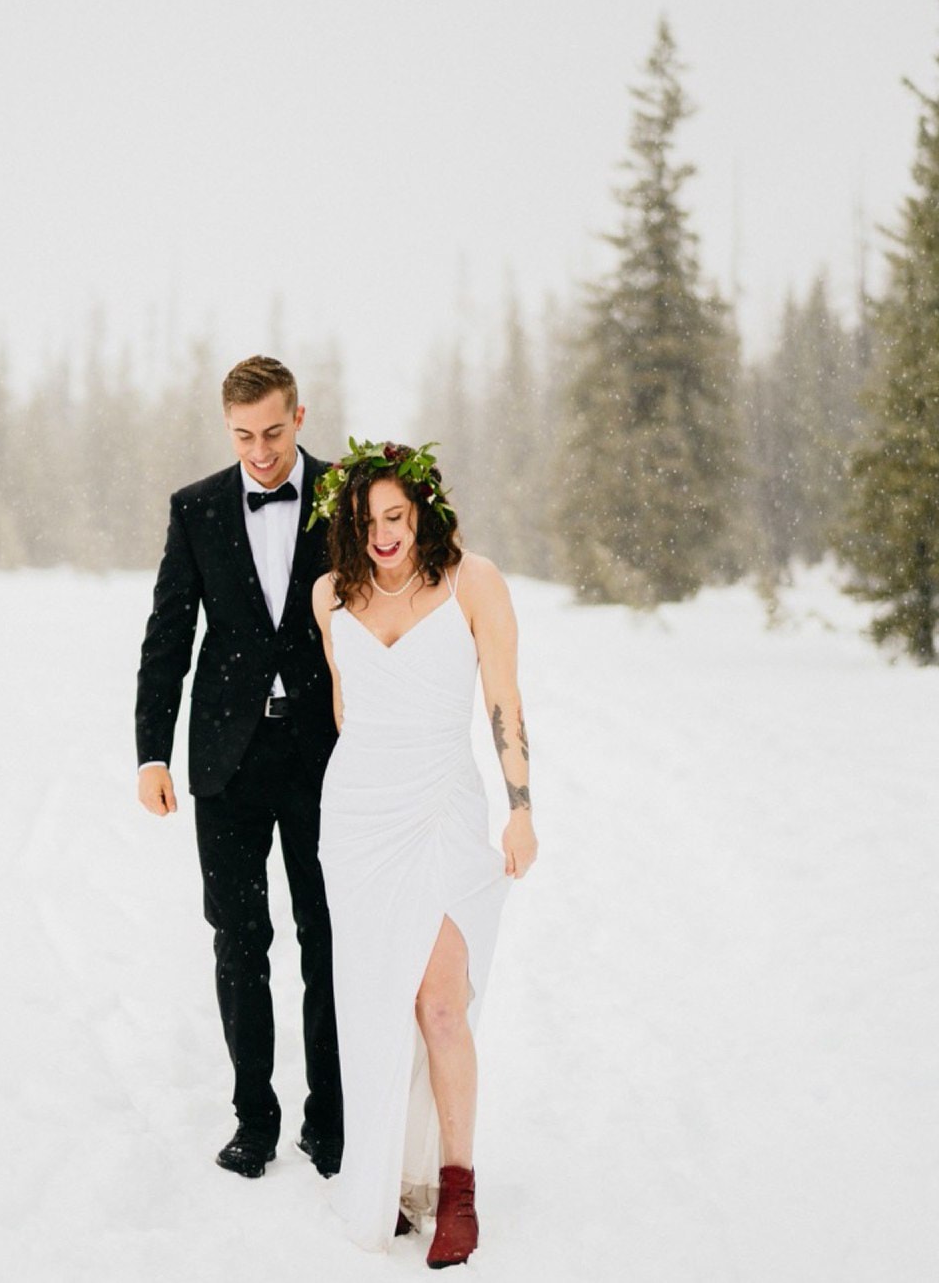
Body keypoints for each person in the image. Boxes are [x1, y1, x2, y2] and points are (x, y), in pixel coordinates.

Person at [308, 438, 537, 1268]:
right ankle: (389, 1172)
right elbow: (346, 710)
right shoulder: (332, 594)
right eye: (368, 521)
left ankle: (458, 1186)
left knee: (441, 1002)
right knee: (376, 1007)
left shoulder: (475, 582)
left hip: (442, 808)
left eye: (396, 517)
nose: (383, 536)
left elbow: (504, 698)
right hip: (361, 819)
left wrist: (519, 809)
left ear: (425, 511)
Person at [134, 355, 344, 1180]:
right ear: (229, 428)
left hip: (327, 757)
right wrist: (151, 750)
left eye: (273, 431)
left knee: (328, 939)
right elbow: (166, 640)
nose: (259, 451)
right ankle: (254, 1116)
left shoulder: (346, 496)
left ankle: (328, 1118)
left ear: (300, 416)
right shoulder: (197, 510)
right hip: (227, 761)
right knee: (239, 940)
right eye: (243, 435)